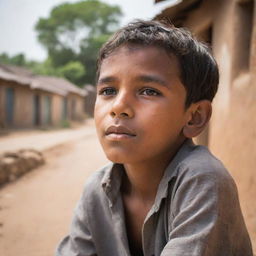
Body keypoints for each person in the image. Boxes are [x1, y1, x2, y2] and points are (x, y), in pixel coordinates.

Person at [56, 20, 253, 256]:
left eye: (149, 91)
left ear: (194, 117)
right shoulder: (97, 191)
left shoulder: (202, 179)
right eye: (108, 91)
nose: (119, 107)